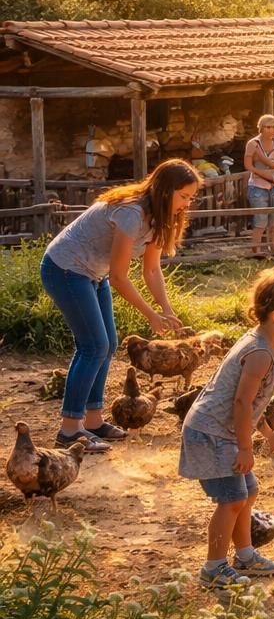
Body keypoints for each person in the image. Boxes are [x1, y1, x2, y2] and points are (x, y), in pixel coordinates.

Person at [40, 159, 200, 453]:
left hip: (92, 272)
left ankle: (93, 420)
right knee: (93, 346)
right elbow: (118, 277)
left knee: (108, 344)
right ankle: (69, 430)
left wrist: (166, 309)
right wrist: (150, 314)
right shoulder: (131, 212)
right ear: (166, 191)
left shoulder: (159, 217)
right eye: (184, 196)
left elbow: (151, 269)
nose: (187, 204)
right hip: (65, 268)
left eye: (191, 197)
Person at [179, 267, 274, 588]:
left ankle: (245, 555)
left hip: (225, 432)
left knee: (249, 492)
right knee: (231, 499)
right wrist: (246, 447)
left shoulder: (272, 348)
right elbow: (241, 404)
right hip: (212, 433)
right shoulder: (258, 352)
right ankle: (213, 567)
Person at [244, 114, 274, 259]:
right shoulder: (253, 144)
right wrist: (264, 173)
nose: (271, 130)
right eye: (268, 127)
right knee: (260, 221)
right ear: (261, 127)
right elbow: (248, 165)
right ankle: (256, 250)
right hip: (258, 186)